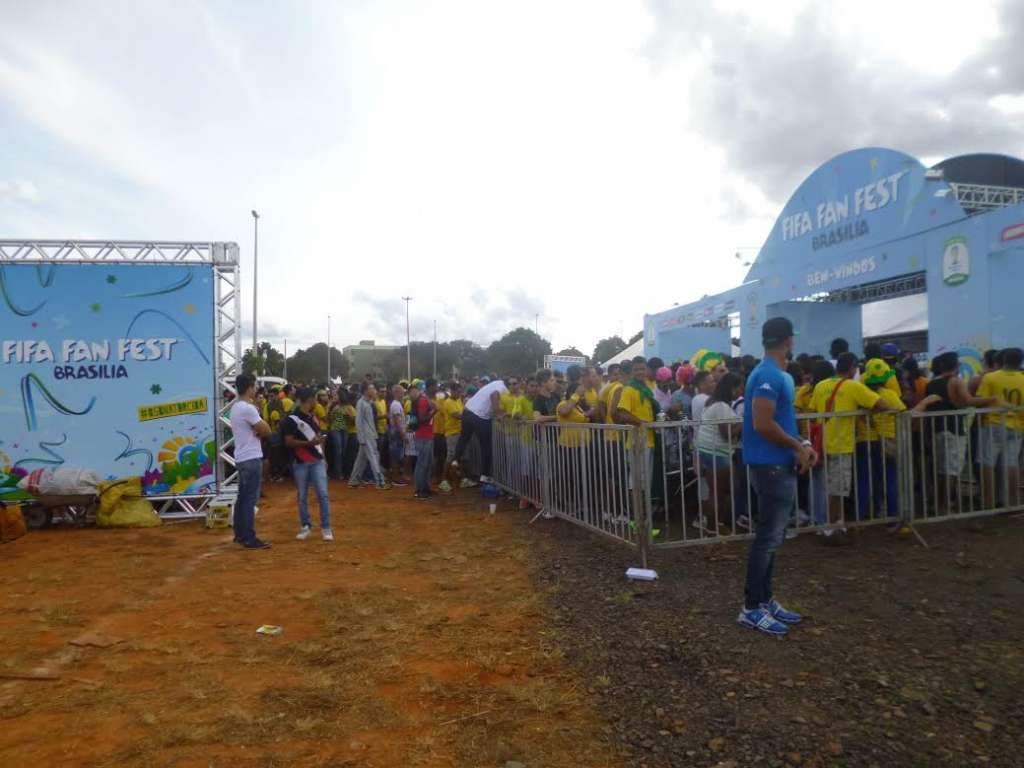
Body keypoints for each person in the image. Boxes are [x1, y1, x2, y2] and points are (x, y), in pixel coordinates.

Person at [738, 317, 816, 636]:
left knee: (772, 538)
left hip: (775, 464)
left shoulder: (772, 374)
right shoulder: (769, 374)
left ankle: (764, 599)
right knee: (767, 539)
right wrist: (798, 446)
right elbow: (763, 423)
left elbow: (781, 419)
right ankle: (751, 607)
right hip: (769, 466)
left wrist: (803, 444)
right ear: (788, 341)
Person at [810, 352, 891, 542]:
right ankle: (832, 528)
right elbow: (884, 404)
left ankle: (833, 523)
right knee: (838, 488)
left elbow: (813, 409)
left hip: (822, 442)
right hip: (841, 443)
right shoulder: (853, 387)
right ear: (852, 368)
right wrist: (865, 410)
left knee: (828, 486)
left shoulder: (821, 385)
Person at [924, 352, 995, 515]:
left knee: (941, 470)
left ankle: (938, 504)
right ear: (956, 366)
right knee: (952, 470)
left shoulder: (931, 384)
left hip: (936, 430)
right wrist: (992, 399)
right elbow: (968, 401)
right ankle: (944, 506)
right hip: (953, 429)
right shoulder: (956, 381)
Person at [282, 387, 333, 541]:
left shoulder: (312, 417)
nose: (316, 402)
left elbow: (319, 438)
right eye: (315, 399)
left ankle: (325, 527)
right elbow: (288, 442)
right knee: (304, 496)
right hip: (301, 462)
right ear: (310, 400)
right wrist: (310, 443)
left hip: (315, 461)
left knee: (322, 495)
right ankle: (307, 526)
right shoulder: (292, 419)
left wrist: (323, 457)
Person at [696, 372, 744, 533]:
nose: (741, 391)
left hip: (709, 449)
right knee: (721, 490)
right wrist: (744, 421)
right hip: (716, 450)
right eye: (738, 388)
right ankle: (715, 526)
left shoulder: (714, 402)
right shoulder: (721, 406)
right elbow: (727, 433)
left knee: (718, 490)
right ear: (732, 388)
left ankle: (716, 525)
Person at [977, 347, 1024, 508]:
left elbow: (981, 400)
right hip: (1017, 425)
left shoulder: (990, 377)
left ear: (1004, 360)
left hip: (994, 424)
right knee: (1012, 463)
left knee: (987, 463)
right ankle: (1012, 502)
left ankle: (988, 503)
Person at [229, 373, 272, 549]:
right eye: (254, 386)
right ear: (249, 387)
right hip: (251, 457)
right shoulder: (248, 409)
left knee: (242, 497)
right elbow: (267, 430)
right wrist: (259, 425)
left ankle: (240, 534)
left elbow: (260, 429)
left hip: (242, 456)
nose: (256, 390)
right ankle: (248, 536)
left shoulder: (236, 407)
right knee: (249, 499)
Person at [451, 376, 508, 484]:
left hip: (467, 411)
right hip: (480, 416)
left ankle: (455, 459)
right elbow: (494, 395)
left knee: (464, 437)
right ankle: (485, 475)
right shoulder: (502, 387)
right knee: (486, 446)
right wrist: (498, 413)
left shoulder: (495, 383)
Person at [349, 382, 391, 490]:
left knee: (361, 459)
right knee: (373, 457)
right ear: (365, 391)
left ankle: (354, 480)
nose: (374, 391)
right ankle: (380, 482)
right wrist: (361, 437)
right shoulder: (361, 403)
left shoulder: (369, 402)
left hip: (370, 434)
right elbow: (358, 422)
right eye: (371, 388)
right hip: (366, 435)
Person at [410, 380, 438, 499]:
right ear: (430, 387)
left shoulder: (425, 399)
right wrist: (434, 412)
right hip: (423, 435)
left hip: (426, 435)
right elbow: (422, 419)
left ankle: (425, 488)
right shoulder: (423, 400)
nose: (437, 389)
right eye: (435, 386)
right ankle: (419, 490)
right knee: (422, 463)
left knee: (427, 463)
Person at [388, 384, 410, 486]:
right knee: (396, 457)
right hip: (396, 433)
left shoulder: (397, 404)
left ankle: (397, 477)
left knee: (397, 456)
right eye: (402, 392)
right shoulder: (396, 404)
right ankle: (396, 478)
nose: (403, 394)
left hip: (396, 432)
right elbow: (397, 421)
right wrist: (403, 434)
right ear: (396, 393)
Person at [327, 390, 348, 480]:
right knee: (338, 451)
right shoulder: (332, 406)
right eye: (334, 395)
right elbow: (328, 419)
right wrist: (332, 411)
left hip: (344, 429)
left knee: (343, 452)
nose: (334, 397)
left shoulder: (346, 406)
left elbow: (350, 417)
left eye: (336, 395)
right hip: (335, 429)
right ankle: (338, 473)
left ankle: (341, 471)